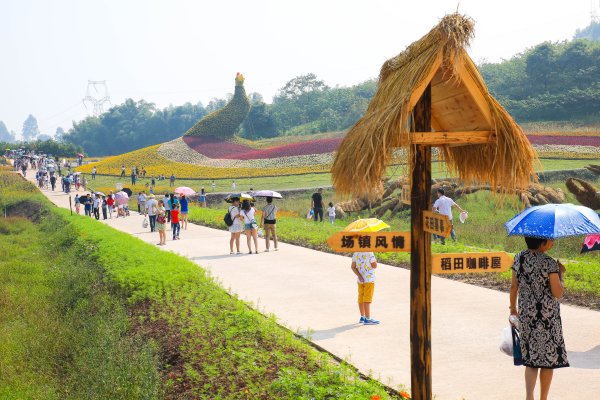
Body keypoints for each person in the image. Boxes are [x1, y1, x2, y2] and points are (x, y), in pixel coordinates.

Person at [510, 237, 568, 400]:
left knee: (531, 359)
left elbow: (514, 286)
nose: (553, 243)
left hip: (527, 315)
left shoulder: (519, 258)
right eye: (550, 240)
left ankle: (529, 397)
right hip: (548, 317)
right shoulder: (550, 264)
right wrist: (561, 273)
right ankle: (543, 398)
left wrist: (513, 309)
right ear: (541, 242)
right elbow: (557, 293)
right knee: (548, 360)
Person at [351, 252, 380, 325]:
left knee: (361, 297)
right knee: (367, 298)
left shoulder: (356, 253)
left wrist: (359, 276)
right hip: (369, 280)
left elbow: (353, 267)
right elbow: (374, 266)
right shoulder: (370, 253)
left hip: (360, 280)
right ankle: (368, 319)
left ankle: (362, 317)